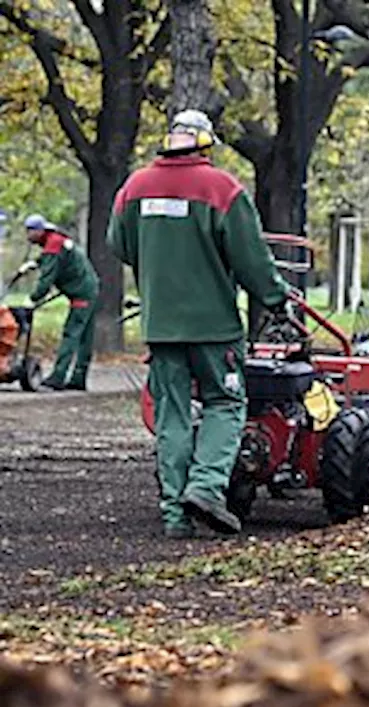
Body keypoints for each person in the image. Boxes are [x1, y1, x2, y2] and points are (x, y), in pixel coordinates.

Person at [107, 109, 290, 539]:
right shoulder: (221, 188)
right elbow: (251, 261)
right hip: (214, 328)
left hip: (161, 327)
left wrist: (160, 260)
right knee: (225, 405)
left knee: (171, 415)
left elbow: (119, 244)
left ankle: (175, 515)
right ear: (206, 145)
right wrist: (276, 299)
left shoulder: (134, 187)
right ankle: (206, 487)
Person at [23, 214, 100, 391]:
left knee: (71, 333)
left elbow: (47, 278)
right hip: (89, 288)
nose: (28, 235)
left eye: (30, 231)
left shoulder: (53, 245)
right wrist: (35, 263)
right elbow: (53, 260)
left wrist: (33, 298)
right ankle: (78, 379)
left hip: (82, 293)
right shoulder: (57, 240)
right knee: (85, 337)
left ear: (40, 230)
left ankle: (58, 377)